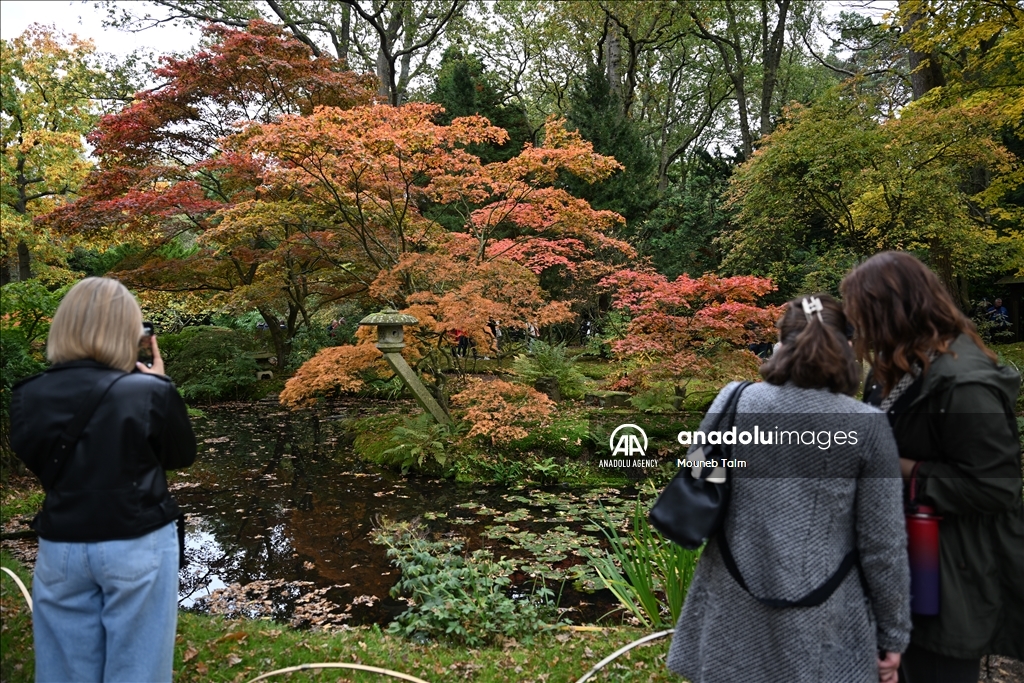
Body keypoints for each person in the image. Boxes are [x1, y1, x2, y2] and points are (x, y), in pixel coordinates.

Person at [667, 293, 911, 683]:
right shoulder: (866, 425)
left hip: (731, 604)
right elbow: (883, 546)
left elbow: (699, 472)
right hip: (824, 617)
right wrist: (893, 635)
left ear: (781, 342)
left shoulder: (735, 398)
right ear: (848, 348)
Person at [841, 252, 1024, 683]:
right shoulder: (896, 366)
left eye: (861, 315)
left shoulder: (965, 382)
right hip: (896, 566)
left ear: (891, 311)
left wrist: (897, 466)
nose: (857, 329)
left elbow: (996, 488)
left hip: (947, 580)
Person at [10, 277, 197, 683]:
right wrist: (160, 384)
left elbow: (35, 456)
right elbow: (181, 456)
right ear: (129, 331)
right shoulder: (148, 391)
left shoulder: (28, 394)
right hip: (138, 538)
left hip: (61, 544)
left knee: (64, 672)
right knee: (138, 671)